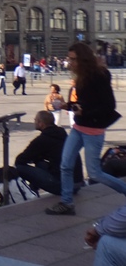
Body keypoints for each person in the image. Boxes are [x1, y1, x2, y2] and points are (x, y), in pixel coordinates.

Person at [46, 42, 125, 216]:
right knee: (65, 164)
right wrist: (69, 105)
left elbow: (109, 105)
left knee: (95, 173)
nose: (70, 62)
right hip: (79, 127)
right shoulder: (80, 77)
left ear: (83, 59)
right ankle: (67, 203)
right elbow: (84, 103)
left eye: (73, 59)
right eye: (69, 59)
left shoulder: (99, 75)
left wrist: (84, 110)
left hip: (93, 130)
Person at [15, 111, 83, 196]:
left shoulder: (43, 139)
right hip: (77, 184)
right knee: (40, 163)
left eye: (35, 120)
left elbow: (20, 160)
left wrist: (36, 156)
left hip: (64, 187)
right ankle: (33, 190)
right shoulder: (63, 134)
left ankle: (26, 193)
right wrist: (38, 158)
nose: (34, 121)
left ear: (41, 123)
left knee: (20, 168)